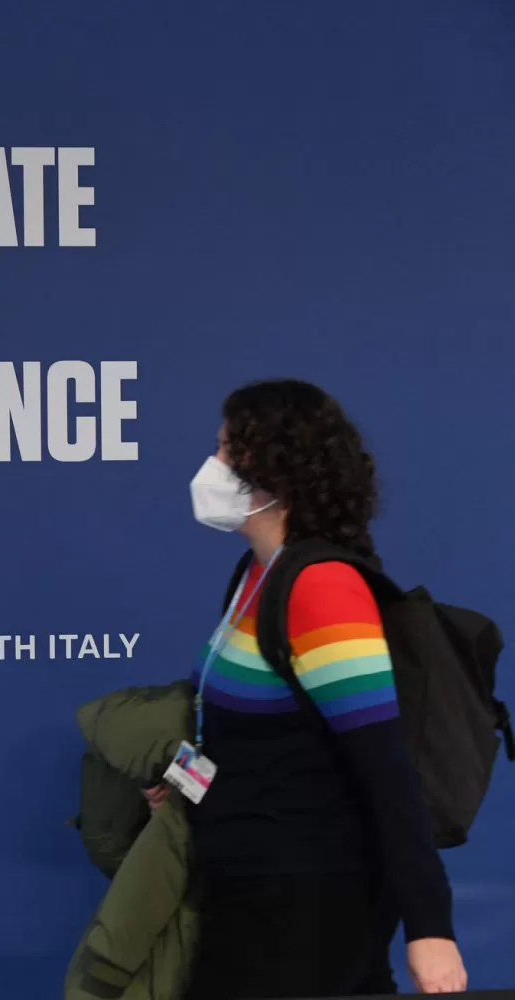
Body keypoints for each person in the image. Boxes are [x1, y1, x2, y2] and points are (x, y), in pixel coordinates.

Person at [164, 379, 467, 998]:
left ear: (278, 466)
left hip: (311, 897)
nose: (213, 466)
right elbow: (245, 728)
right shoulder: (254, 573)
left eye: (229, 451)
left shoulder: (322, 587)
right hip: (249, 883)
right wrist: (181, 788)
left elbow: (387, 770)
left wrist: (430, 927)